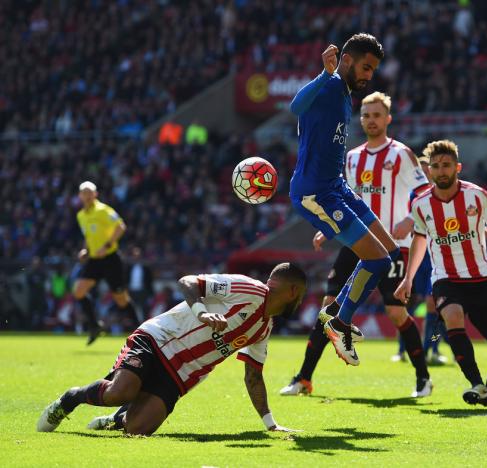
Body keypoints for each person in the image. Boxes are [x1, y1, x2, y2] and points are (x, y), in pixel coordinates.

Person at [37, 263, 307, 435]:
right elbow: (188, 282)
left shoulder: (263, 329)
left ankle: (118, 420)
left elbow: (253, 376)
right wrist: (202, 313)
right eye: (303, 295)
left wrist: (270, 424)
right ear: (293, 291)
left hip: (179, 375)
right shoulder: (248, 288)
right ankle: (70, 399)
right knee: (120, 392)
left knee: (137, 430)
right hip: (157, 339)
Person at [281, 91, 432, 397]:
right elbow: (340, 197)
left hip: (392, 245)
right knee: (328, 308)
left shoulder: (401, 154)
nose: (370, 120)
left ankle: (423, 379)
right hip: (355, 243)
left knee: (396, 314)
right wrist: (329, 228)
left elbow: (424, 193)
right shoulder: (350, 157)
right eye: (365, 115)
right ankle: (304, 378)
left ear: (388, 118)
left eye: (377, 115)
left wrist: (413, 221)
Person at [290, 33, 399, 366]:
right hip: (315, 192)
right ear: (347, 60)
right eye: (365, 67)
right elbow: (295, 107)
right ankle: (340, 322)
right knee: (377, 261)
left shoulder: (346, 97)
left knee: (391, 252)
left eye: (373, 70)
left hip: (337, 187)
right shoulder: (328, 86)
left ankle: (337, 311)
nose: (369, 75)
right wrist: (324, 74)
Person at [394, 140, 487, 408]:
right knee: (452, 317)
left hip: (483, 277)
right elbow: (419, 242)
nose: (441, 171)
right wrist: (407, 279)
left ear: (458, 167)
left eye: (446, 165)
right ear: (428, 170)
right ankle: (476, 383)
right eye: (435, 166)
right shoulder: (421, 204)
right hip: (446, 278)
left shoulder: (477, 195)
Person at [393, 154, 449, 366]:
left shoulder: (440, 196)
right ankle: (402, 349)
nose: (426, 173)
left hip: (433, 258)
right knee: (407, 304)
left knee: (433, 307)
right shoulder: (412, 196)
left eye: (428, 170)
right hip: (414, 255)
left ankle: (431, 349)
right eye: (422, 170)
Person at [73, 181, 138, 345]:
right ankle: (95, 326)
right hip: (94, 260)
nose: (87, 196)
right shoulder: (81, 215)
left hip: (110, 259)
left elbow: (121, 227)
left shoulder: (103, 210)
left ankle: (141, 330)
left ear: (95, 194)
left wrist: (107, 245)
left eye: (89, 192)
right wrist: (85, 250)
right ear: (80, 196)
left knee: (121, 299)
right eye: (83, 193)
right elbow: (89, 237)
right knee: (79, 291)